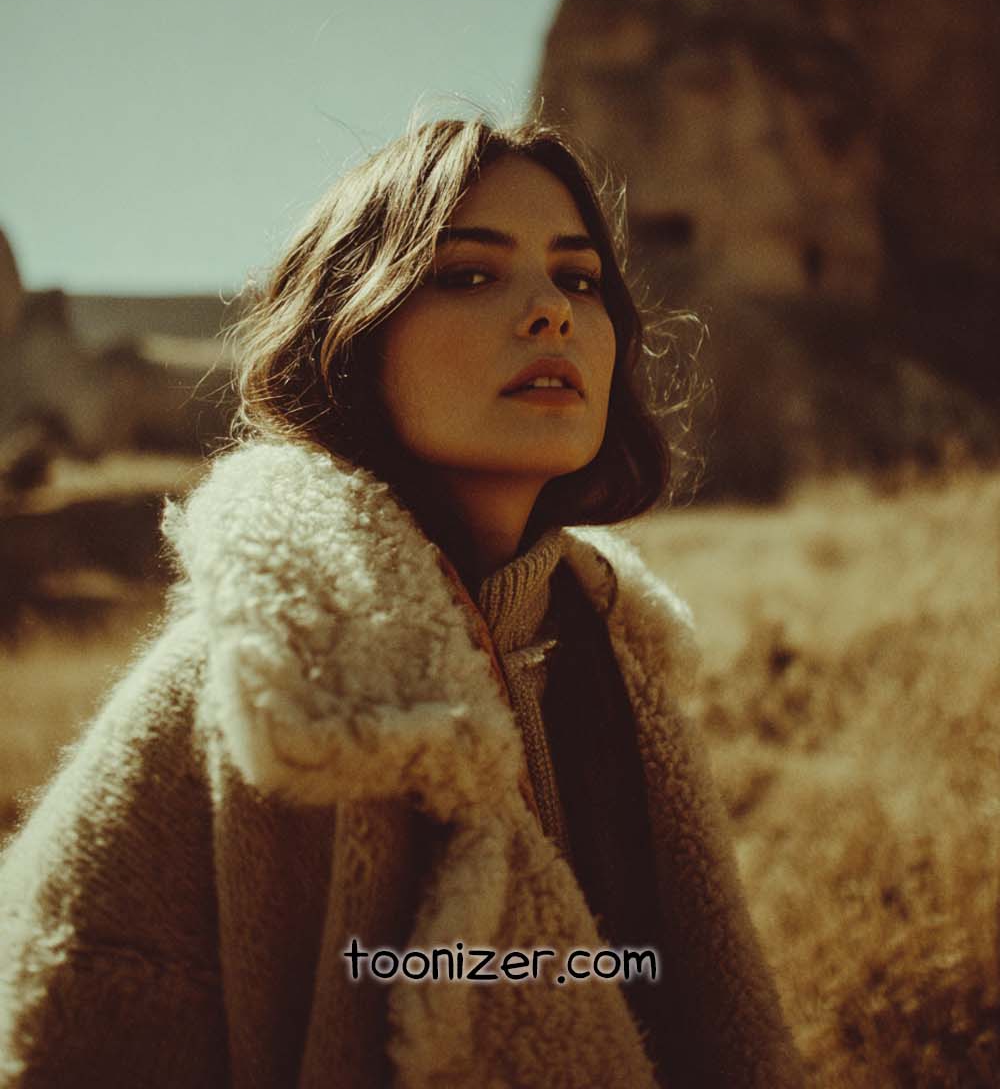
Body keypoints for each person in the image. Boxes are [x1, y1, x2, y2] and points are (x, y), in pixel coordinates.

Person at [0, 116, 802, 1087]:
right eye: (468, 273)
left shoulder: (614, 653)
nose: (550, 310)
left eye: (578, 277)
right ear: (352, 335)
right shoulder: (252, 703)